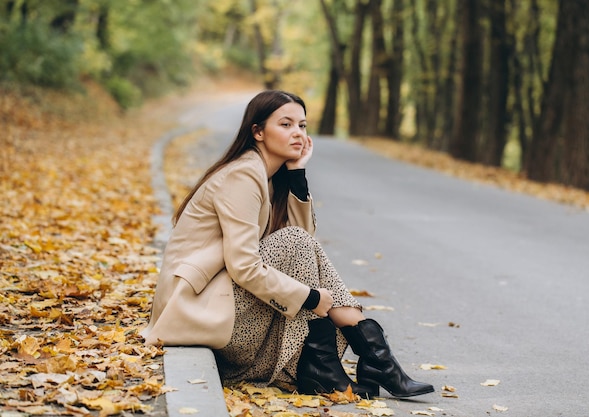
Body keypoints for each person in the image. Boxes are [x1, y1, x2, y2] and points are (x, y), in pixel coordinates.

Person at [141, 90, 434, 398]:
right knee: (294, 243)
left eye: (303, 126)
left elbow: (304, 244)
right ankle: (373, 356)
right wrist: (309, 298)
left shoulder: (267, 176)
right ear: (257, 132)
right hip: (197, 308)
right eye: (286, 124)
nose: (297, 133)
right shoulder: (242, 176)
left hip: (223, 306)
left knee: (297, 242)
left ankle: (355, 360)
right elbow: (245, 266)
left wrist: (297, 175)